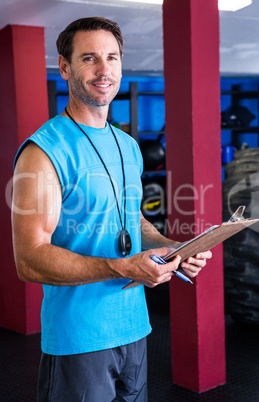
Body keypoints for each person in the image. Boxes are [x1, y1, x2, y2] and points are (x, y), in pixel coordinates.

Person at [11, 17, 212, 402]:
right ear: (65, 67)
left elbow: (131, 221)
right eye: (90, 58)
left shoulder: (128, 146)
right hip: (79, 338)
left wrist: (175, 249)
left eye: (113, 58)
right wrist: (119, 266)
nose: (105, 70)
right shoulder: (44, 151)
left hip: (135, 329)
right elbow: (29, 259)